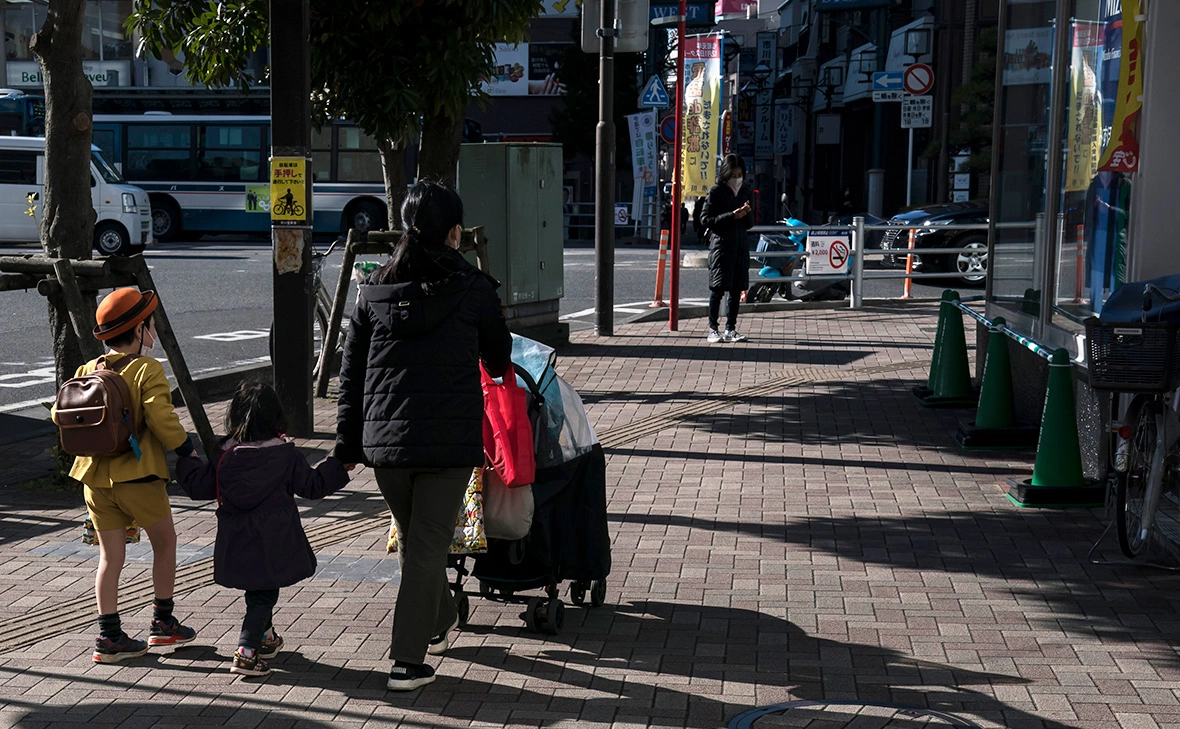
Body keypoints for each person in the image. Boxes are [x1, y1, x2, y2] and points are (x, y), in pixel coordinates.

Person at [335, 180, 512, 691]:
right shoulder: (472, 288)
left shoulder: (373, 291)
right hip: (447, 443)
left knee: (417, 540)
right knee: (428, 545)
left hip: (386, 444)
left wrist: (347, 444)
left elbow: (350, 375)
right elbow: (499, 358)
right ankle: (407, 662)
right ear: (455, 232)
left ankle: (438, 619)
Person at [176, 382, 351, 678]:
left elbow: (198, 486)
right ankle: (246, 652)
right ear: (276, 417)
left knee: (257, 588)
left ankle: (266, 636)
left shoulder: (224, 455)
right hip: (274, 539)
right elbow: (313, 486)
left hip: (237, 538)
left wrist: (187, 460)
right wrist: (338, 466)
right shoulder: (285, 455)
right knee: (263, 595)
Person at [66, 287, 199, 663]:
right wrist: (186, 449)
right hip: (138, 476)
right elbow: (160, 416)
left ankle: (109, 637)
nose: (152, 330)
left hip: (94, 478)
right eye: (150, 324)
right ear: (139, 329)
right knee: (165, 544)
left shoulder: (87, 370)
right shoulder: (147, 370)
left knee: (110, 557)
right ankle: (163, 623)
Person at [700, 154, 755, 343]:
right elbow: (705, 219)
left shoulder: (746, 190)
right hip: (721, 246)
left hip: (740, 246)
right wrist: (732, 215)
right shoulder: (716, 191)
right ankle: (712, 329)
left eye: (740, 175)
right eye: (733, 175)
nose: (737, 178)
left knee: (736, 290)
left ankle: (730, 329)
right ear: (725, 174)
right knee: (717, 289)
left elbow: (750, 224)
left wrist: (746, 214)